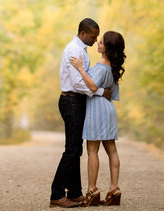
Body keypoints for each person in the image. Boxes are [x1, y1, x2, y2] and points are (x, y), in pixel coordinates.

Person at [49, 18, 111, 208]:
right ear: (83, 34)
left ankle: (74, 192)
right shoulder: (74, 50)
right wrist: (100, 91)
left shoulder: (81, 50)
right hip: (71, 101)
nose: (96, 39)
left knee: (76, 148)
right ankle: (57, 195)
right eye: (93, 36)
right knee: (72, 150)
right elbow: (77, 83)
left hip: (76, 101)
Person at [69, 31, 126, 207]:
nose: (98, 44)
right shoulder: (113, 68)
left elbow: (92, 86)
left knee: (92, 150)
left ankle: (92, 190)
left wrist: (80, 67)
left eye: (101, 43)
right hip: (109, 110)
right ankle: (114, 189)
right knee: (112, 150)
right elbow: (112, 93)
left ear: (107, 48)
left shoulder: (101, 65)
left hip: (97, 109)